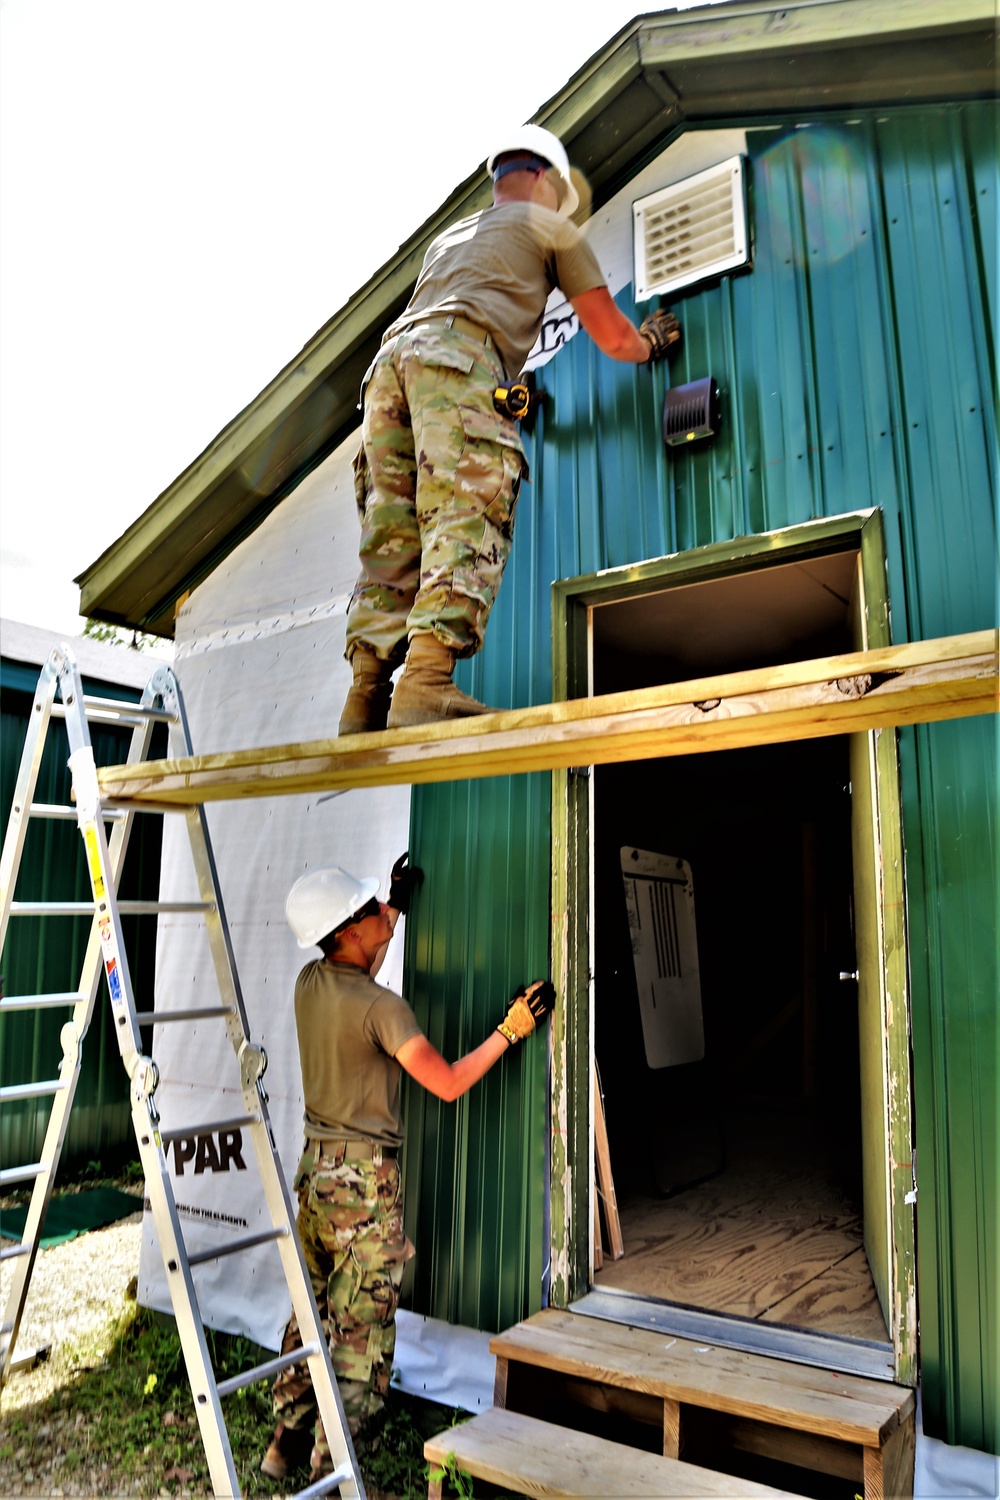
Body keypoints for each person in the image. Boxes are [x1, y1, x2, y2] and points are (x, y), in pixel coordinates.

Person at [339, 122, 681, 734]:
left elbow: (443, 334)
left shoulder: (448, 240)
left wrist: (503, 391)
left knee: (392, 534)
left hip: (387, 370)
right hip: (459, 361)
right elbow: (611, 335)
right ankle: (424, 683)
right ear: (547, 179)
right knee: (465, 514)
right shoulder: (552, 227)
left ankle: (363, 698)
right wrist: (650, 342)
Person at [261, 853, 555, 1484]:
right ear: (347, 931)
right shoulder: (382, 1009)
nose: (381, 921)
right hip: (363, 1190)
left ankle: (285, 1439)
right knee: (363, 1337)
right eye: (369, 914)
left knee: (312, 1316)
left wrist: (392, 903)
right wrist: (512, 1028)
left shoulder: (310, 984)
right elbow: (446, 1083)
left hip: (314, 1177)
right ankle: (330, 1472)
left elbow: (358, 970)